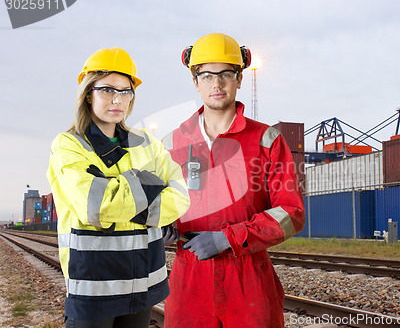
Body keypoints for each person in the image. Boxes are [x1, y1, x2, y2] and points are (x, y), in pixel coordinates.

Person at [162, 33, 305, 327]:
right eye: (207, 74)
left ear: (239, 79)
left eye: (226, 74)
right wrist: (160, 223)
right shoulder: (170, 144)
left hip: (249, 278)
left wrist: (228, 238)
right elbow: (154, 206)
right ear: (195, 80)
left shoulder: (266, 140)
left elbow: (291, 212)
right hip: (189, 280)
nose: (217, 83)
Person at [46, 47, 190, 327]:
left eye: (126, 91)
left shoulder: (146, 141)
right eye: (108, 90)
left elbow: (180, 196)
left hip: (144, 279)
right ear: (89, 93)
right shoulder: (69, 145)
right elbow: (97, 206)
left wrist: (123, 199)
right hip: (95, 284)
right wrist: (151, 184)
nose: (118, 99)